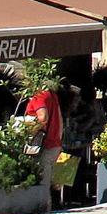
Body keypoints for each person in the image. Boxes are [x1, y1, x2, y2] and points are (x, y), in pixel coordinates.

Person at [22, 76, 63, 204]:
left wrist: (27, 133)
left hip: (43, 147)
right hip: (55, 144)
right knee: (53, 184)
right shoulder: (52, 95)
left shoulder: (39, 96)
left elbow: (42, 118)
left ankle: (44, 211)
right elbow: (60, 120)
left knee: (43, 184)